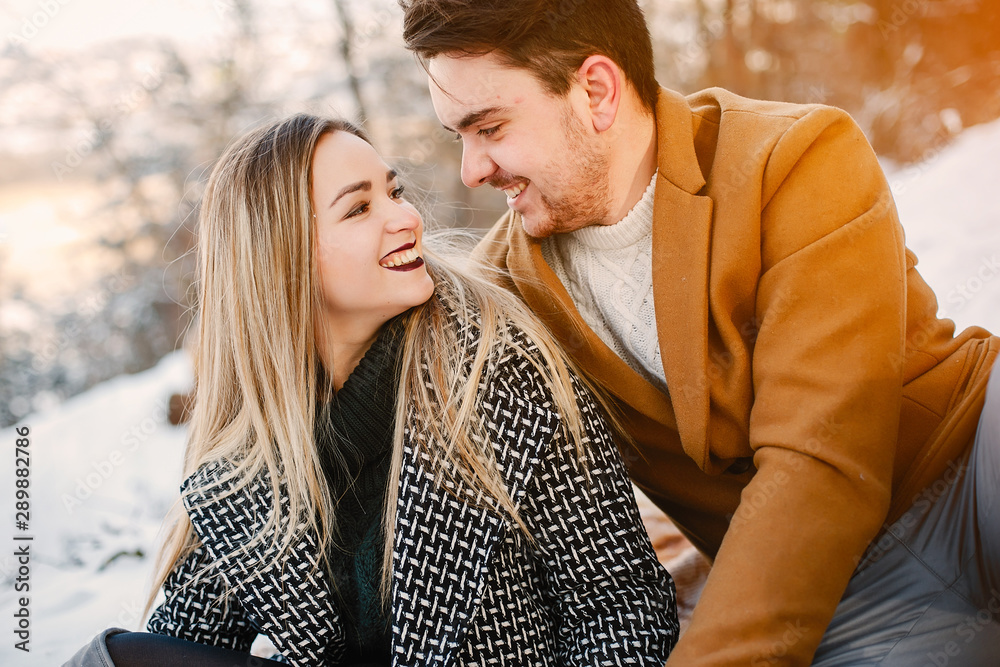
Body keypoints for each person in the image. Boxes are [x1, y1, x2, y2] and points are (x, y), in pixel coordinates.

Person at [399, 1, 1000, 665]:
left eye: (488, 127)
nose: (471, 170)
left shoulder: (792, 157)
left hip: (968, 470)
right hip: (839, 599)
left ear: (595, 91)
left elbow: (821, 459)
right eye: (459, 137)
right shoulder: (503, 299)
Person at [64, 114, 678, 666]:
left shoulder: (498, 372)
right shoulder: (247, 467)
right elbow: (189, 639)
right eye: (359, 209)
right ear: (284, 258)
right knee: (119, 659)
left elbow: (622, 605)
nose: (406, 218)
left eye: (394, 192)